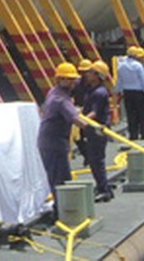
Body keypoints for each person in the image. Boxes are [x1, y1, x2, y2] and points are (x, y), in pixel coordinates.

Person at [38, 62, 96, 199]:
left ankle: (62, 209)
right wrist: (94, 129)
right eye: (68, 80)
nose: (72, 83)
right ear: (59, 80)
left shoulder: (54, 92)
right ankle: (63, 211)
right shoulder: (60, 99)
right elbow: (76, 119)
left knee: (58, 177)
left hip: (50, 141)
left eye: (72, 80)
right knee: (61, 179)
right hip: (54, 143)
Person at [80, 61, 114, 203]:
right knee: (95, 160)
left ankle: (104, 190)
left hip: (97, 130)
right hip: (92, 130)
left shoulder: (99, 93)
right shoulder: (92, 90)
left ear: (97, 76)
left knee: (96, 161)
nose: (88, 74)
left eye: (91, 72)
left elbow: (94, 112)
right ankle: (103, 187)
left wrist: (76, 120)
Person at [116, 46, 144, 140]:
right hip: (139, 93)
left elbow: (119, 80)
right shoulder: (138, 65)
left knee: (131, 115)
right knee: (142, 114)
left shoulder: (121, 66)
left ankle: (133, 134)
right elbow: (143, 80)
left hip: (127, 93)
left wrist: (118, 91)